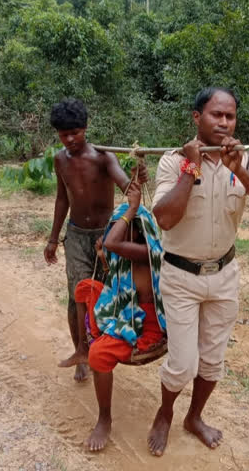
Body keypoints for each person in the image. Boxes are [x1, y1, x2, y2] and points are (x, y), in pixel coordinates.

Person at [147, 87, 249, 456]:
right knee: (182, 362)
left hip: (224, 275)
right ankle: (165, 412)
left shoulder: (246, 159)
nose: (223, 122)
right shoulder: (173, 162)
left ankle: (194, 416)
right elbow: (166, 219)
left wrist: (241, 171)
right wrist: (192, 168)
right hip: (180, 276)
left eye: (230, 116)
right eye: (215, 115)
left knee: (212, 359)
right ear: (196, 117)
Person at [44, 98, 148, 382]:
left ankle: (100, 351)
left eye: (74, 133)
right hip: (76, 235)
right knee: (77, 294)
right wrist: (54, 238)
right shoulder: (60, 160)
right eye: (63, 135)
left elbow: (127, 187)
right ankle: (81, 352)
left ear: (85, 128)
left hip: (106, 237)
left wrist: (138, 178)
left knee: (102, 293)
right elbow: (62, 198)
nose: (69, 140)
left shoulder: (103, 157)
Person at [78, 178, 166, 451]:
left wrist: (132, 210)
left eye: (125, 227)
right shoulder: (123, 251)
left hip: (145, 325)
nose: (118, 233)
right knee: (84, 288)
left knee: (99, 356)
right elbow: (115, 272)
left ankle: (104, 419)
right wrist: (103, 258)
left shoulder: (148, 253)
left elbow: (113, 242)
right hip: (123, 308)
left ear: (140, 232)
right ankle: (83, 345)